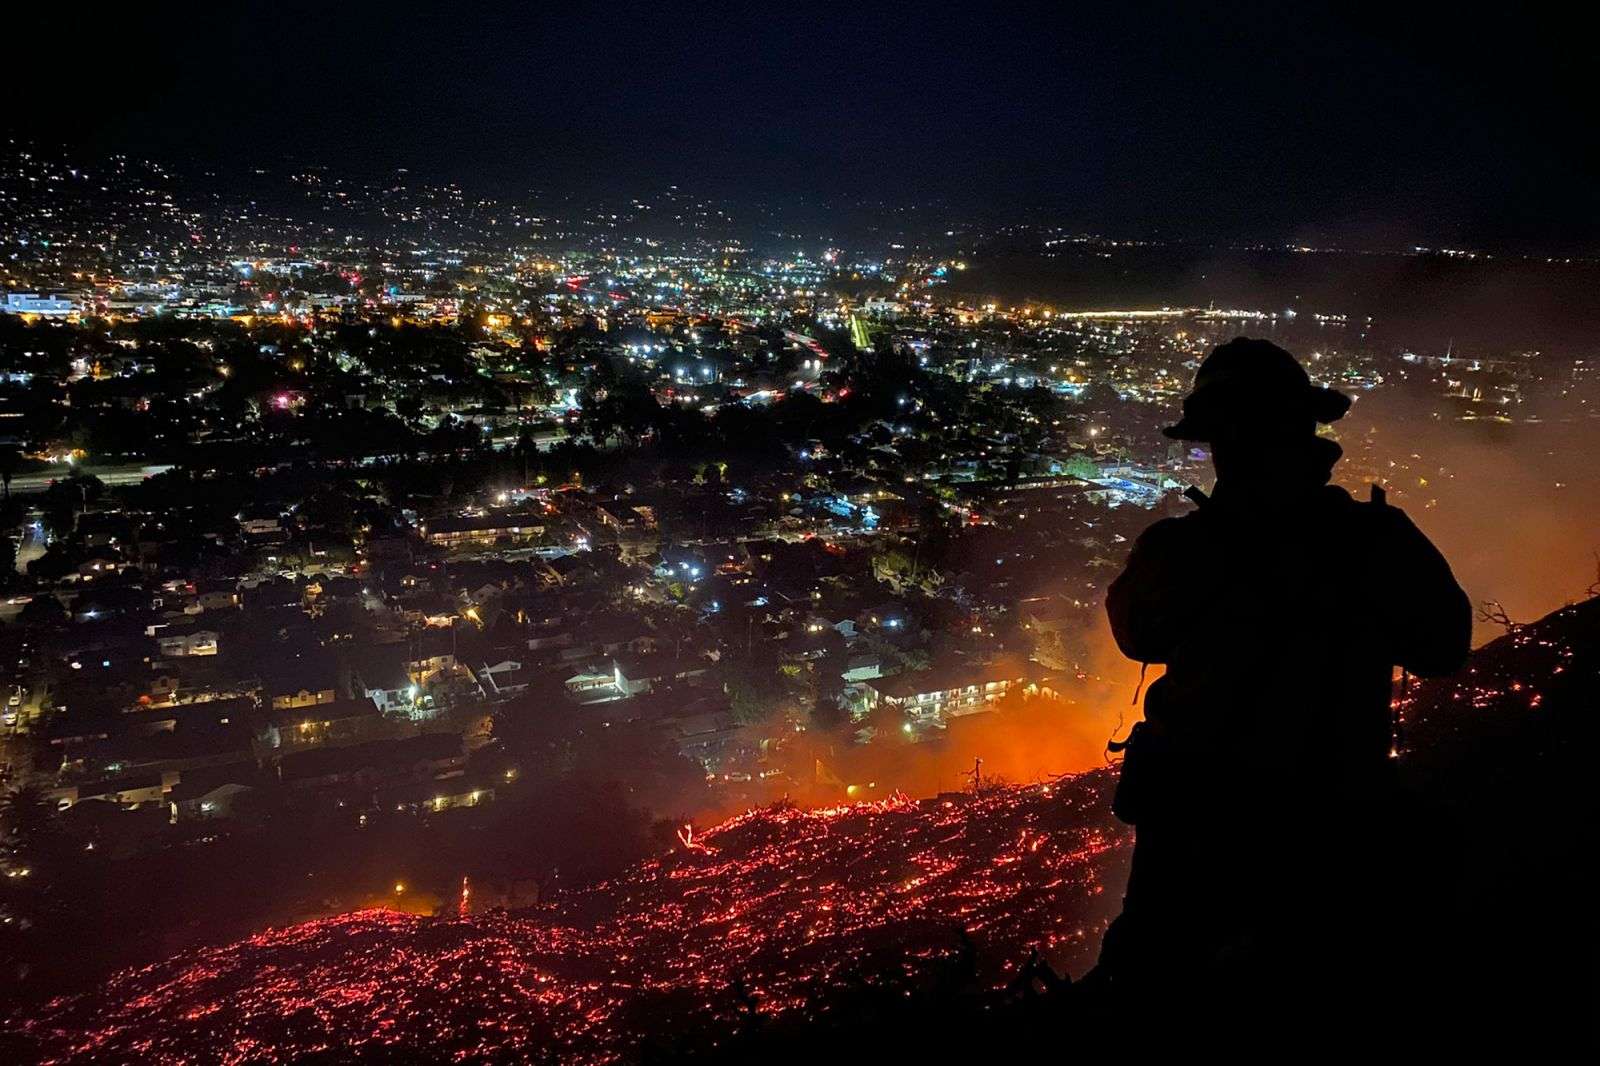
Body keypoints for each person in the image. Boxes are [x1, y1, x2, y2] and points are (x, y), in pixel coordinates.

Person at [1089, 338, 1471, 1026]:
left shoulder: (1182, 551)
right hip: (1334, 839)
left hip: (1198, 841)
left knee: (1156, 995)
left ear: (1220, 444)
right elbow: (1443, 648)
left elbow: (1136, 634)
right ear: (1308, 433)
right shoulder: (1378, 540)